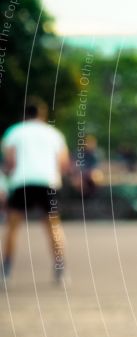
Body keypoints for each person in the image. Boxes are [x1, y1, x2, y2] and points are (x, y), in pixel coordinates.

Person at [1, 99, 70, 286]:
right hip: (47, 182)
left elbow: (10, 162)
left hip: (22, 182)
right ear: (42, 115)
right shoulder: (54, 133)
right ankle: (60, 269)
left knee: (13, 225)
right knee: (53, 226)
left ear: (24, 114)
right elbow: (63, 163)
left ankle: (5, 270)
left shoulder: (14, 132)